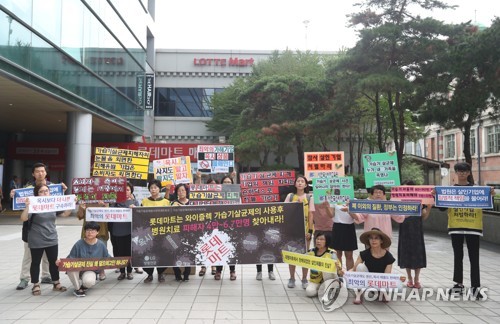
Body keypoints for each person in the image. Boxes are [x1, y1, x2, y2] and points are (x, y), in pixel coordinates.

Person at [441, 162, 494, 300]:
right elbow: (441, 208)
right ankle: (458, 284)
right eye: (459, 171)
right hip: (456, 227)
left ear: (469, 173)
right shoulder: (450, 190)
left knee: (474, 257)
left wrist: (491, 196)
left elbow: (487, 207)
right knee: (458, 256)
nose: (462, 173)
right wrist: (436, 196)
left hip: (473, 227)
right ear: (456, 173)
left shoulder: (477, 190)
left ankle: (475, 287)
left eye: (465, 171)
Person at [11, 162, 66, 290]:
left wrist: (64, 193)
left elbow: (62, 207)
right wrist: (13, 195)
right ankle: (25, 279)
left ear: (46, 173)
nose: (40, 173)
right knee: (29, 255)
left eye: (42, 171)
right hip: (31, 228)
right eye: (37, 171)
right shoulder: (27, 188)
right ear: (33, 174)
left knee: (49, 256)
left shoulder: (53, 187)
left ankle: (46, 276)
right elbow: (20, 207)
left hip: (48, 228)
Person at [20, 183, 72, 295]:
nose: (44, 193)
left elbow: (65, 214)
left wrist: (72, 203)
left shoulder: (53, 204)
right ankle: (35, 284)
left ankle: (56, 283)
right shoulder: (33, 205)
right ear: (36, 194)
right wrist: (28, 206)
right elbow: (23, 218)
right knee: (35, 262)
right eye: (41, 191)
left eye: (46, 191)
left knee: (53, 261)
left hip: (52, 238)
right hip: (36, 238)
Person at [56, 221, 111, 297]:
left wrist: (121, 262)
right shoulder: (79, 243)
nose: (90, 233)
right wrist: (60, 262)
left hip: (90, 270)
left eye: (93, 231)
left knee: (89, 282)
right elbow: (70, 257)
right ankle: (78, 289)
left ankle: (83, 287)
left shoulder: (101, 244)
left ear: (97, 232)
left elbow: (108, 257)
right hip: (78, 269)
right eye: (88, 230)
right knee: (70, 268)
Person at [397, 180, 432, 289]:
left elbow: (424, 217)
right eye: (403, 188)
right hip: (404, 229)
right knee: (406, 252)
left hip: (417, 230)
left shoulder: (420, 200)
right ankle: (409, 279)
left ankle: (417, 279)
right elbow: (397, 216)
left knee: (418, 253)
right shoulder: (399, 200)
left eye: (407, 187)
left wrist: (428, 208)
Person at [350, 227, 395, 304]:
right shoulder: (364, 253)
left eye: (376, 238)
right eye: (371, 238)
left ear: (381, 241)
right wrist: (345, 273)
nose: (373, 240)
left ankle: (383, 294)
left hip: (381, 282)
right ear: (369, 240)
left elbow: (387, 275)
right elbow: (354, 269)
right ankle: (359, 294)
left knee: (389, 280)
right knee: (360, 266)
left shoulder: (388, 256)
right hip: (368, 282)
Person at [285, 175, 315, 289]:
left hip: (305, 231)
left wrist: (310, 231)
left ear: (306, 185)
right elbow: (284, 211)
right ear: (295, 184)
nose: (300, 183)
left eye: (302, 181)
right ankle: (292, 278)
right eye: (298, 181)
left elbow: (311, 214)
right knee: (292, 254)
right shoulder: (290, 196)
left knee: (305, 255)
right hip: (292, 230)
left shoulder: (309, 197)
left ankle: (304, 279)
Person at [141, 179, 171, 283]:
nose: (153, 190)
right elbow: (139, 215)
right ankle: (149, 274)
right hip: (148, 234)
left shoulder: (166, 202)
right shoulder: (144, 201)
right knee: (148, 253)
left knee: (162, 253)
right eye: (151, 188)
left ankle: (161, 273)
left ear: (159, 189)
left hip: (162, 233)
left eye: (155, 187)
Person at [109, 182, 138, 280]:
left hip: (130, 231)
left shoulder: (135, 202)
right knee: (120, 252)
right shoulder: (114, 202)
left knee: (129, 252)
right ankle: (122, 272)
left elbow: (139, 215)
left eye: (128, 190)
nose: (126, 192)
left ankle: (129, 271)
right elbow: (109, 214)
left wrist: (135, 209)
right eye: (123, 190)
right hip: (117, 231)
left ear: (131, 191)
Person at [77, 200, 109, 280]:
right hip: (88, 232)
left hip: (101, 231)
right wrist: (81, 208)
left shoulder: (105, 199)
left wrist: (105, 206)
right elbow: (79, 216)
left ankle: (101, 270)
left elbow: (110, 215)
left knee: (102, 251)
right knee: (85, 252)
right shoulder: (85, 201)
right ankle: (84, 270)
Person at [305, 233, 343, 297]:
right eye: (317, 239)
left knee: (326, 269)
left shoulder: (331, 253)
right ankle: (322, 290)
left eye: (322, 239)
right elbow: (303, 258)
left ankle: (329, 289)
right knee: (309, 292)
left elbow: (339, 267)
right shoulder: (311, 251)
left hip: (329, 278)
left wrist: (338, 267)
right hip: (315, 280)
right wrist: (307, 242)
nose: (318, 241)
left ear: (327, 242)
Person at [170, 183, 192, 281]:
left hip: (189, 232)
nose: (181, 192)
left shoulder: (192, 202)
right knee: (175, 252)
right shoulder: (173, 203)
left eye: (183, 190)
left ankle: (187, 273)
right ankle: (177, 273)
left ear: (186, 191)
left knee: (188, 252)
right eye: (179, 191)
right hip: (176, 232)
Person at [199, 176, 218, 277]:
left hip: (217, 224)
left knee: (214, 245)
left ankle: (213, 266)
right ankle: (203, 266)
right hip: (204, 224)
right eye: (210, 184)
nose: (213, 186)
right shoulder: (203, 195)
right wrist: (198, 178)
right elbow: (196, 191)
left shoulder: (221, 195)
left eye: (214, 184)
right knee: (204, 245)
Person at [331, 203, 357, 271]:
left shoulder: (353, 199)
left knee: (349, 255)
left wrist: (348, 210)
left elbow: (356, 217)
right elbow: (331, 215)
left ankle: (350, 276)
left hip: (349, 227)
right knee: (338, 254)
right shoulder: (334, 199)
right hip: (337, 227)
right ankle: (339, 275)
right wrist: (326, 207)